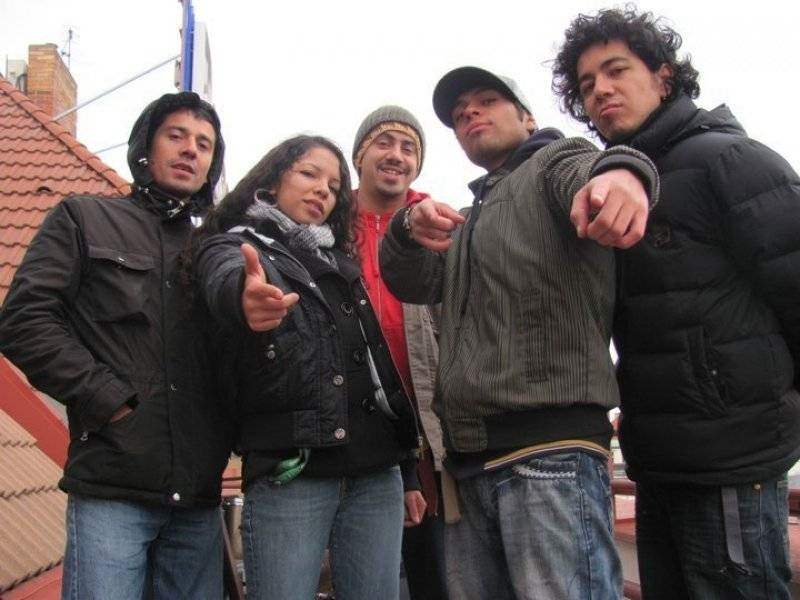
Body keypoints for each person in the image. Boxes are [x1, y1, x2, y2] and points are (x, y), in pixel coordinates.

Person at [379, 66, 659, 600]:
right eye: (459, 115)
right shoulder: (469, 220)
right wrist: (405, 228)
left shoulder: (555, 160)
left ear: (527, 117)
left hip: (550, 454)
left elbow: (596, 172)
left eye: (486, 101)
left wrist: (625, 172)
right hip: (470, 462)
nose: (470, 114)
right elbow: (412, 281)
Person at [552, 8, 800, 599]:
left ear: (664, 78)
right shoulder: (614, 183)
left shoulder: (729, 159)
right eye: (586, 84)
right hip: (657, 459)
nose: (600, 90)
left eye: (616, 70)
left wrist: (761, 411)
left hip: (731, 460)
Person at [0, 91, 233, 599]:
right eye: (176, 136)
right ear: (146, 148)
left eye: (204, 144)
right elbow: (23, 320)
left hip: (197, 495)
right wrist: (107, 399)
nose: (190, 150)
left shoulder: (215, 252)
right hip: (112, 485)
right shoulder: (83, 218)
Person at [192, 134, 422, 600]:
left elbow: (375, 368)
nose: (322, 190)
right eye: (309, 174)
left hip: (377, 470)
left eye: (334, 186)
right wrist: (243, 297)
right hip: (293, 471)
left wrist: (408, 469)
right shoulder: (236, 246)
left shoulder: (338, 260)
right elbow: (222, 277)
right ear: (273, 181)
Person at [351, 105, 447, 599]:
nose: (396, 155)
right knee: (365, 573)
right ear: (359, 155)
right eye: (384, 142)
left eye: (409, 148)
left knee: (436, 571)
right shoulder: (328, 225)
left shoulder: (438, 228)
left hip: (427, 424)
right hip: (357, 422)